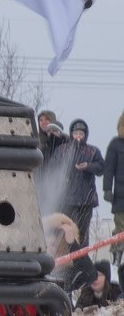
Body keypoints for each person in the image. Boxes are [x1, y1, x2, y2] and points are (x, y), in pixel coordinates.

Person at [51, 118, 104, 247]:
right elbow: (53, 167)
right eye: (76, 133)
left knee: (83, 231)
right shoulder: (62, 150)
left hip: (86, 199)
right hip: (66, 199)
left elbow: (101, 168)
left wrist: (88, 166)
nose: (78, 136)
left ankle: (82, 259)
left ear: (85, 135)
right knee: (66, 230)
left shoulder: (93, 151)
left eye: (81, 134)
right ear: (71, 134)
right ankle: (67, 258)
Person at [45, 212, 97, 293]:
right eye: (46, 244)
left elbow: (90, 275)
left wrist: (72, 244)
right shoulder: (36, 264)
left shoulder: (69, 271)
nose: (50, 248)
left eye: (54, 245)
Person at [102, 112, 124, 266]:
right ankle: (116, 259)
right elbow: (108, 168)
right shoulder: (116, 144)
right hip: (121, 195)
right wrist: (107, 189)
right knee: (120, 229)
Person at [36, 109, 67, 205]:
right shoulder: (36, 140)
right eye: (41, 120)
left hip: (56, 181)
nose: (43, 123)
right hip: (40, 181)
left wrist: (55, 138)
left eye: (46, 120)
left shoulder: (64, 138)